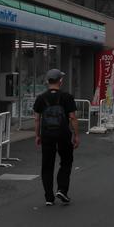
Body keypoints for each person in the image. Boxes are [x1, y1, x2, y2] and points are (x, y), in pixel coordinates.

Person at [33, 68, 80, 206]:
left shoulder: (41, 98)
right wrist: (76, 135)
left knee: (47, 165)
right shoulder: (67, 97)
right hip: (63, 134)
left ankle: (49, 197)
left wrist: (37, 135)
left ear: (48, 81)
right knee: (66, 161)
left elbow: (37, 119)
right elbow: (72, 117)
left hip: (47, 135)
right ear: (60, 81)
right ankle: (62, 189)